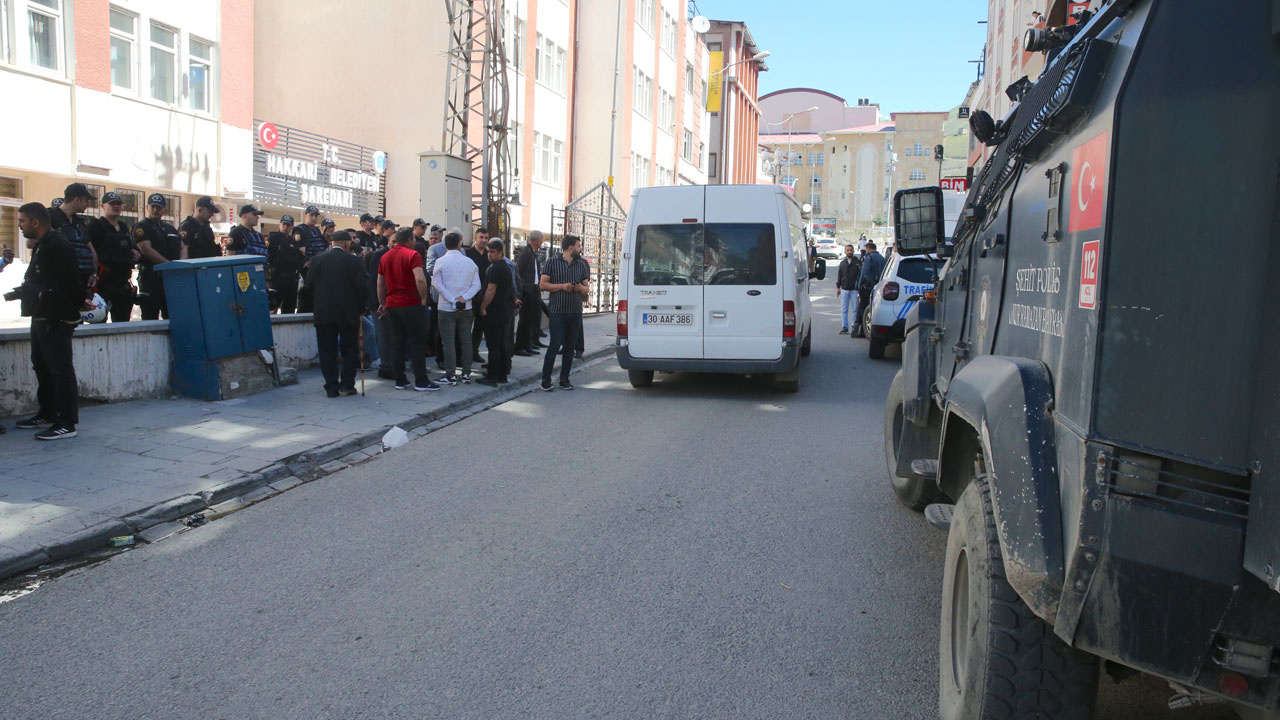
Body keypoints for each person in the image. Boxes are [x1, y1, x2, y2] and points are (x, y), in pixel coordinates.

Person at [15, 203, 84, 440]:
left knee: (60, 369)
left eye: (22, 220)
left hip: (56, 316)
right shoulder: (44, 244)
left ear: (35, 222)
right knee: (41, 365)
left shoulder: (57, 243)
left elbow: (72, 281)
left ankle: (66, 423)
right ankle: (47, 413)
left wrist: (73, 309)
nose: (20, 225)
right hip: (41, 314)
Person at [307, 230, 368, 398]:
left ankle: (331, 387)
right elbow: (361, 288)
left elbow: (308, 286)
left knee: (327, 350)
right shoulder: (354, 261)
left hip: (323, 312)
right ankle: (347, 385)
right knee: (349, 349)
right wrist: (361, 309)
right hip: (348, 313)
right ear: (346, 243)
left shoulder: (317, 260)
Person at [377, 227, 438, 391]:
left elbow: (380, 282)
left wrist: (382, 302)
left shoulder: (385, 256)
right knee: (417, 341)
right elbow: (419, 278)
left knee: (397, 341)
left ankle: (400, 379)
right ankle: (421, 380)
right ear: (410, 240)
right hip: (411, 302)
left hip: (392, 303)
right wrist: (424, 297)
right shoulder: (413, 255)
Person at [539, 234, 590, 391]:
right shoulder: (552, 263)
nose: (580, 249)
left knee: (569, 347)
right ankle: (545, 380)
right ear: (570, 247)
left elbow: (587, 288)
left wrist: (578, 288)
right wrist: (562, 286)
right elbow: (543, 285)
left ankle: (564, 379)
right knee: (554, 345)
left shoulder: (581, 264)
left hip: (575, 312)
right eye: (578, 246)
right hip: (557, 312)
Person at [431, 229, 481, 385]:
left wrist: (452, 299)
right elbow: (477, 285)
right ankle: (466, 373)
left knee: (448, 342)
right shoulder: (470, 262)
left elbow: (436, 284)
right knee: (466, 341)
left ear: (445, 244)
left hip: (446, 307)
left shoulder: (440, 262)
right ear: (459, 244)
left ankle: (450, 374)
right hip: (466, 307)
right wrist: (463, 298)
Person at [86, 192, 141, 322]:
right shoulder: (95, 226)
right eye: (112, 204)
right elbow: (88, 251)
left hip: (123, 285)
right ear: (102, 206)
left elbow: (130, 248)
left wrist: (136, 254)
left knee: (122, 325)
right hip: (103, 285)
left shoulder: (123, 227)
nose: (116, 206)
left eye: (118, 204)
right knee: (98, 325)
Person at [133, 194, 186, 320]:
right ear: (147, 207)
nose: (155, 210)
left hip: (170, 279)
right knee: (150, 318)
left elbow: (183, 247)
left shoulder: (170, 228)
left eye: (159, 207)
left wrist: (181, 265)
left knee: (172, 317)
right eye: (153, 207)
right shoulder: (141, 227)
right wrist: (169, 265)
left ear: (164, 210)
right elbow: (146, 249)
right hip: (150, 279)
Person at [49, 183, 98, 306]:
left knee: (75, 322)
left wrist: (94, 273)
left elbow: (90, 249)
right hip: (57, 282)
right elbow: (32, 243)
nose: (88, 204)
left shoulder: (80, 222)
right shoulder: (49, 217)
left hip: (80, 281)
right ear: (77, 200)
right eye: (86, 201)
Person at [478, 238, 517, 385]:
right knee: (500, 344)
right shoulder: (506, 267)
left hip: (495, 312)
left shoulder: (497, 268)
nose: (490, 254)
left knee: (493, 345)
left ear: (500, 253)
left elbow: (491, 290)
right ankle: (502, 375)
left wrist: (483, 307)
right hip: (504, 311)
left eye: (493, 252)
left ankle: (493, 376)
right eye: (489, 252)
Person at [267, 215, 305, 313]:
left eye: (288, 225)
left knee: (289, 309)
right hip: (277, 279)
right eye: (284, 224)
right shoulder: (273, 238)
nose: (285, 227)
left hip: (291, 279)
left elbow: (298, 258)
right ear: (279, 225)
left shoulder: (292, 241)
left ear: (291, 227)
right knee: (272, 308)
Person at [515, 231, 545, 354]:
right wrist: (522, 288)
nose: (542, 242)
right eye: (541, 239)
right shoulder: (526, 253)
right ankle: (520, 346)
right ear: (535, 240)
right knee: (525, 320)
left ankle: (528, 344)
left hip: (533, 290)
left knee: (531, 319)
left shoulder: (532, 253)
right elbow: (518, 271)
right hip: (527, 291)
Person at [294, 206, 327, 312]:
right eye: (311, 215)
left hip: (319, 268)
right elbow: (300, 252)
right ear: (305, 216)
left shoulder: (316, 231)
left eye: (315, 216)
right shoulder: (300, 230)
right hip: (308, 270)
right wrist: (307, 263)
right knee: (306, 301)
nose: (314, 218)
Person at [466, 228, 491, 364]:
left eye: (486, 238)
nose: (484, 240)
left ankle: (475, 352)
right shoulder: (468, 254)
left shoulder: (489, 254)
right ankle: (466, 353)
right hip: (470, 295)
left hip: (484, 296)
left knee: (479, 327)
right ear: (475, 238)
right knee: (466, 325)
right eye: (481, 237)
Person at [853, 241, 886, 339]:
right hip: (879, 287)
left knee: (863, 308)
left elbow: (864, 273)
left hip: (867, 287)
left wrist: (859, 286)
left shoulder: (868, 258)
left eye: (866, 249)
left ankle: (862, 330)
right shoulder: (882, 258)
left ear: (869, 249)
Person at [836, 244, 862, 334]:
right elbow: (839, 276)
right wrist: (838, 288)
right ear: (845, 251)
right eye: (848, 250)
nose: (849, 251)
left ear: (853, 251)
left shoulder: (858, 262)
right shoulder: (842, 263)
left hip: (854, 290)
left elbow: (860, 276)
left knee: (855, 309)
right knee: (844, 309)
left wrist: (859, 288)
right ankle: (845, 326)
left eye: (851, 250)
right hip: (844, 289)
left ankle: (854, 326)